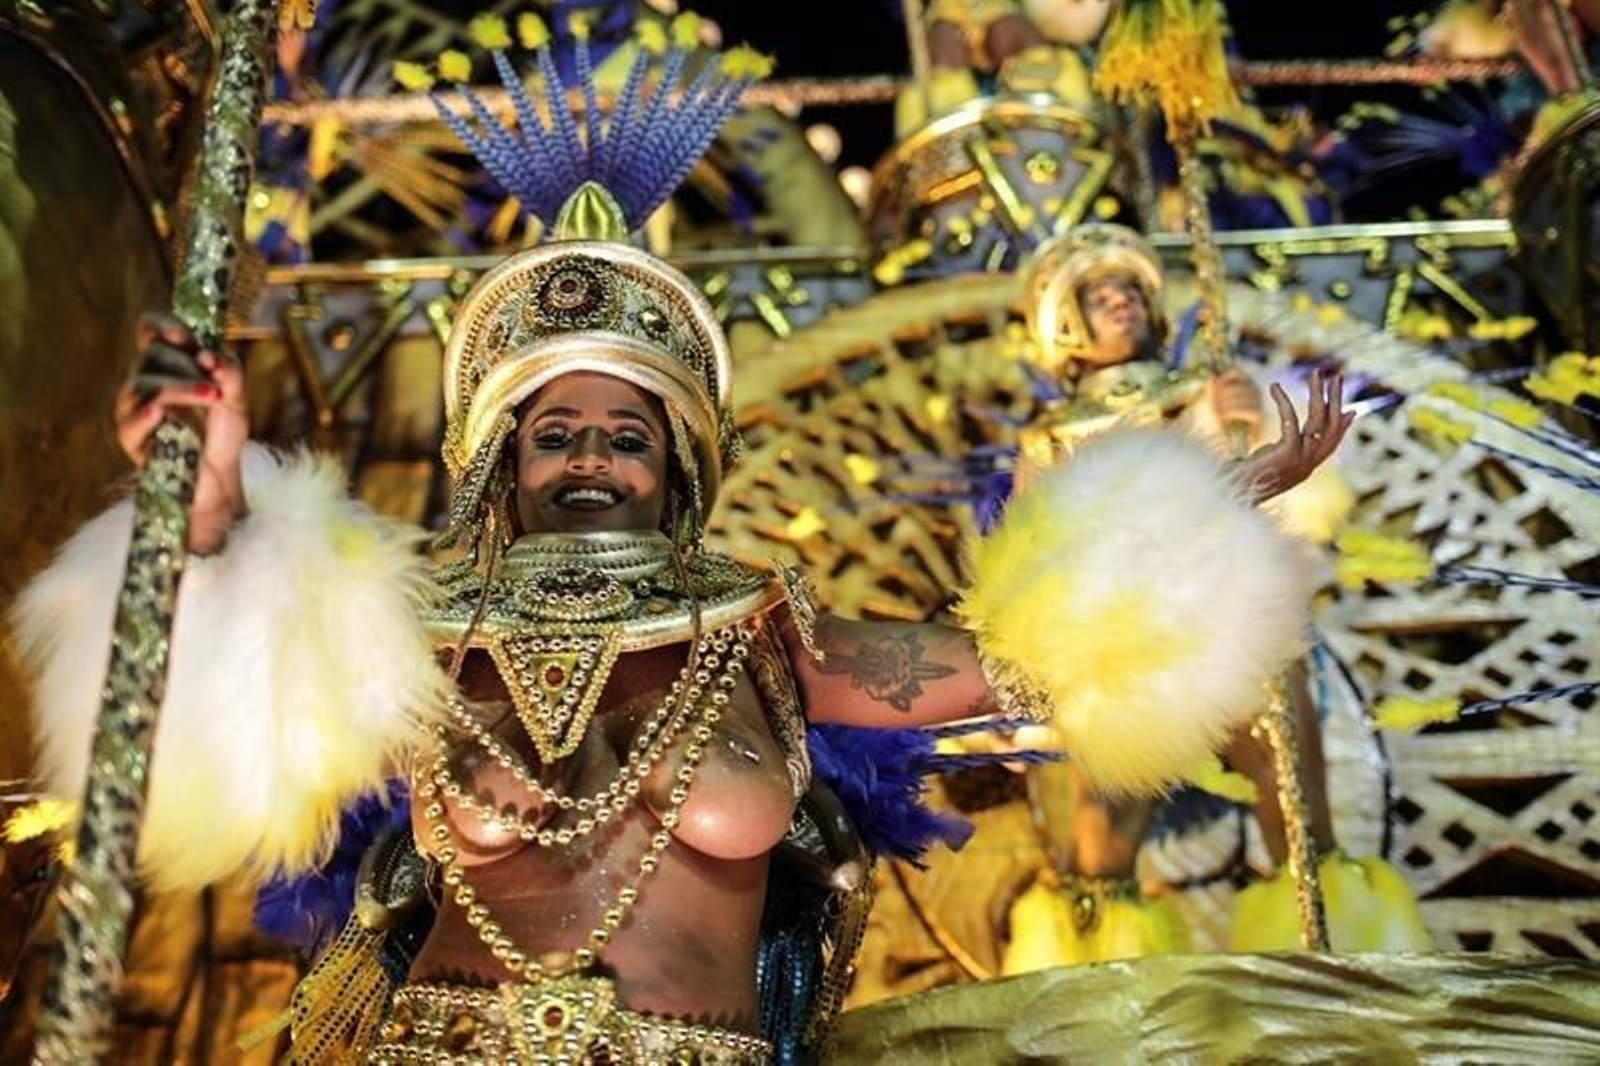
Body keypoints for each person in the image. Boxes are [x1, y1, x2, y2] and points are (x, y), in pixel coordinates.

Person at [12, 22, 1338, 1064]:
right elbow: (226, 689)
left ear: (681, 462)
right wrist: (207, 491)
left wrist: (1207, 516)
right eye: (556, 430)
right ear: (504, 459)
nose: (589, 453)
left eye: (624, 432)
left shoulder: (767, 628)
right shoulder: (412, 619)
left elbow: (1036, 660)